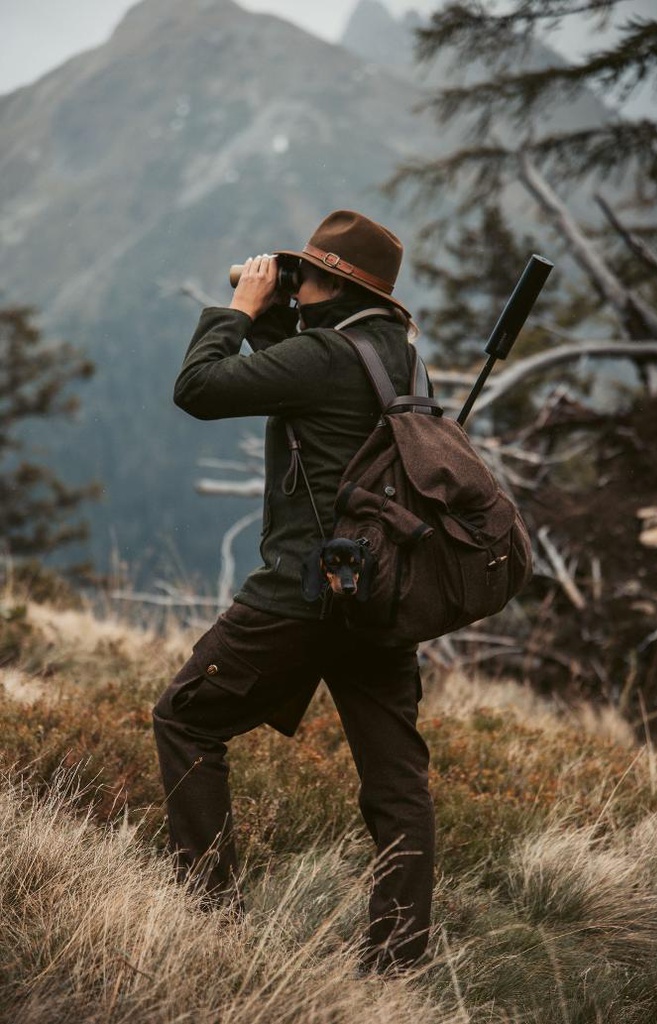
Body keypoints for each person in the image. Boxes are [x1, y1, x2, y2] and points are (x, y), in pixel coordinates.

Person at [152, 210, 435, 974]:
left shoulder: (326, 357)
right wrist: (278, 316)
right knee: (396, 780)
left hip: (302, 594)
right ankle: (398, 963)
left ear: (334, 286)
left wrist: (239, 311)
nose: (289, 282)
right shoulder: (398, 355)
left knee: (185, 718)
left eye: (301, 274)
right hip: (381, 595)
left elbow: (199, 388)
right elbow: (308, 385)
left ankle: (206, 920)